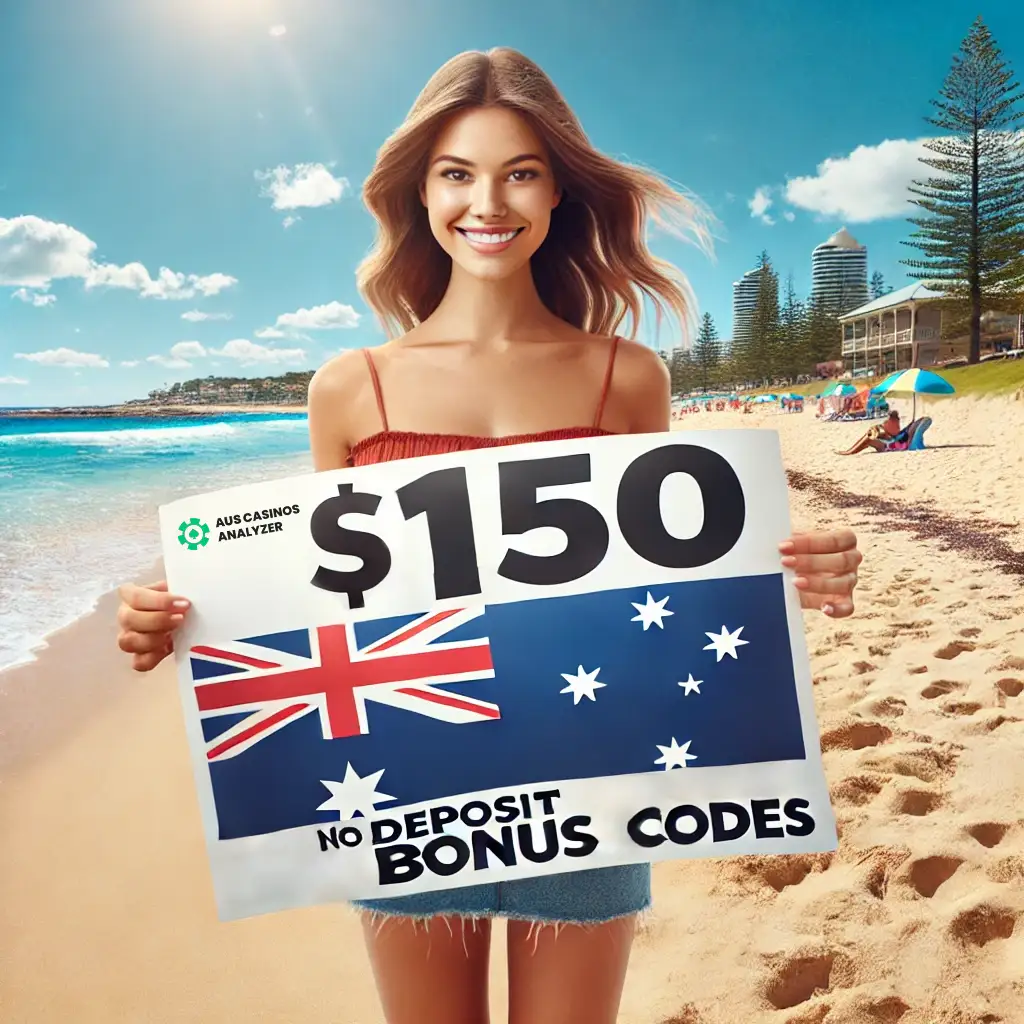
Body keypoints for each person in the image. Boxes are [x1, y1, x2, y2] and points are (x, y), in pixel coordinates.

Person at [115, 48, 862, 1024]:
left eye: (519, 171)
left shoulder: (624, 378)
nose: (488, 200)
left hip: (591, 786)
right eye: (457, 172)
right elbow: (312, 593)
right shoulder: (352, 387)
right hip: (410, 794)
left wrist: (792, 566)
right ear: (418, 194)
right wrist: (170, 610)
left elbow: (674, 589)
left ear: (556, 191)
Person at [836, 410, 901, 455]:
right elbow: (892, 434)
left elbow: (892, 433)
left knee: (870, 438)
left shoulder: (893, 423)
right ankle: (852, 450)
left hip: (889, 446)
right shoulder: (894, 423)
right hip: (890, 443)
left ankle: (850, 451)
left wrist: (882, 429)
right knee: (871, 434)